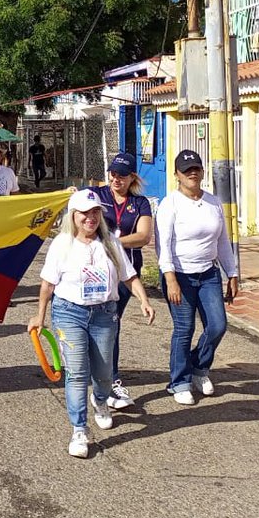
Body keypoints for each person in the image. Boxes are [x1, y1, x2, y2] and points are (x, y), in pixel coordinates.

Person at [30, 189, 154, 458]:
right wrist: (40, 316)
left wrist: (144, 299)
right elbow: (47, 284)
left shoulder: (111, 243)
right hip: (69, 313)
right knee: (77, 373)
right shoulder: (62, 244)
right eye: (84, 213)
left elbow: (129, 276)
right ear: (73, 216)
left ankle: (100, 401)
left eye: (95, 212)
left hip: (104, 315)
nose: (90, 218)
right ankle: (79, 429)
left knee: (104, 373)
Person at [155, 150, 239, 405]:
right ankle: (179, 381)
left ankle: (199, 369)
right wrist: (170, 279)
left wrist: (232, 273)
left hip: (208, 273)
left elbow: (222, 242)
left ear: (202, 172)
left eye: (196, 168)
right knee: (184, 328)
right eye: (186, 170)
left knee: (217, 325)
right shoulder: (169, 204)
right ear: (177, 175)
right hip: (179, 275)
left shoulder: (213, 202)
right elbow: (163, 245)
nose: (192, 173)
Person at [85, 153, 153, 410]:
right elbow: (76, 205)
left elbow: (144, 236)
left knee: (111, 326)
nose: (116, 179)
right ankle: (99, 377)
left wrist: (111, 243)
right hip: (95, 273)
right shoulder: (97, 195)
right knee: (97, 325)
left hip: (125, 275)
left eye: (122, 175)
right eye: (113, 173)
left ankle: (109, 380)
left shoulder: (141, 203)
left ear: (132, 177)